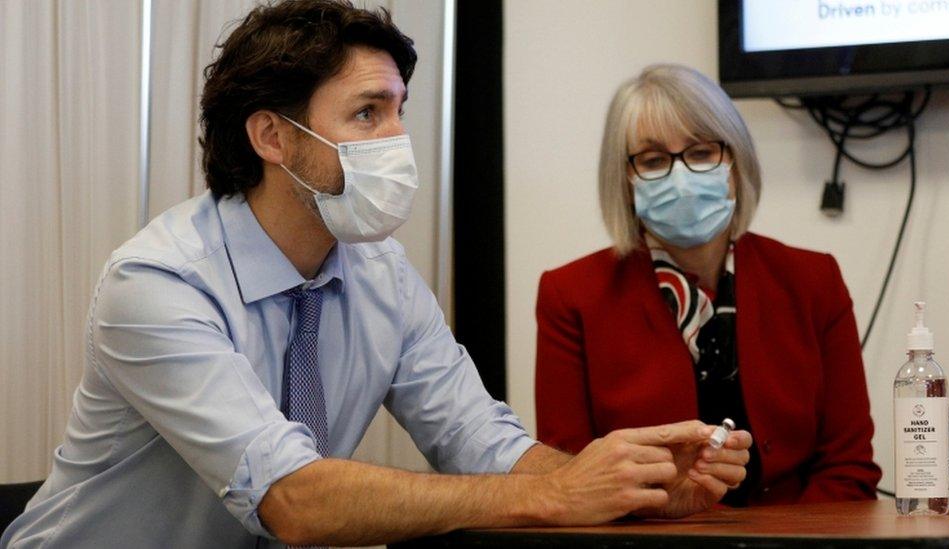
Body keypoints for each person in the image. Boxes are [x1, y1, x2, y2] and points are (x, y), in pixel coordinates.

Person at [0, 5, 753, 548]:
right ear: (272, 136)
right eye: (367, 113)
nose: (397, 139)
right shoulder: (158, 282)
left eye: (398, 110)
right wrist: (560, 493)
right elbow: (294, 498)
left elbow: (483, 441)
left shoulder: (377, 271)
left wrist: (633, 491)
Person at [535, 64, 881, 507]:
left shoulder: (814, 281)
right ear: (625, 178)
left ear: (735, 162)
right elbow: (572, 479)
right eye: (654, 160)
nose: (682, 178)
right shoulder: (571, 295)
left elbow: (848, 468)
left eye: (701, 153)